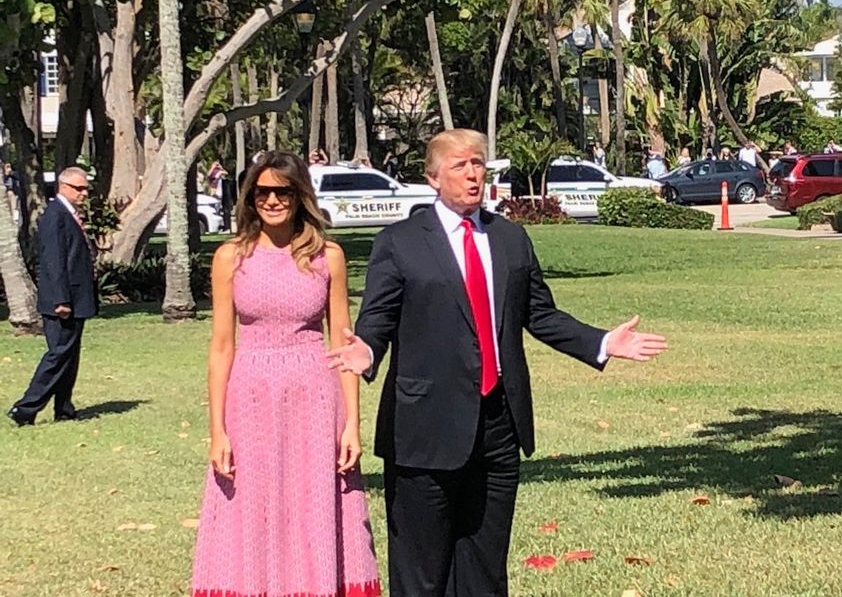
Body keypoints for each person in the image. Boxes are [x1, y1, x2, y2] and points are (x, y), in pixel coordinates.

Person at [327, 129, 667, 597]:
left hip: (498, 426)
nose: (472, 174)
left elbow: (539, 315)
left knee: (485, 569)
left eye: (478, 164)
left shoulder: (510, 238)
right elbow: (378, 320)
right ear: (433, 178)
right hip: (424, 430)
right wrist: (366, 350)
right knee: (422, 574)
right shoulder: (401, 242)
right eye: (459, 166)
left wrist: (602, 342)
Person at [191, 151, 379, 597]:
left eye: (283, 192)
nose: (273, 200)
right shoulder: (229, 258)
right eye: (263, 192)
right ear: (249, 197)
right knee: (252, 504)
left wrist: (352, 424)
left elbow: (343, 345)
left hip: (315, 395)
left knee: (314, 501)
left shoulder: (328, 256)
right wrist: (217, 430)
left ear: (300, 197)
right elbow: (221, 347)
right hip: (250, 397)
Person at [7, 167, 97, 426]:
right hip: (62, 300)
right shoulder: (55, 215)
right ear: (64, 186)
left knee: (69, 355)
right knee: (58, 354)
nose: (84, 193)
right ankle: (25, 408)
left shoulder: (69, 214)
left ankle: (64, 407)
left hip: (76, 298)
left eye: (85, 188)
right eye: (79, 188)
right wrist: (61, 299)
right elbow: (54, 261)